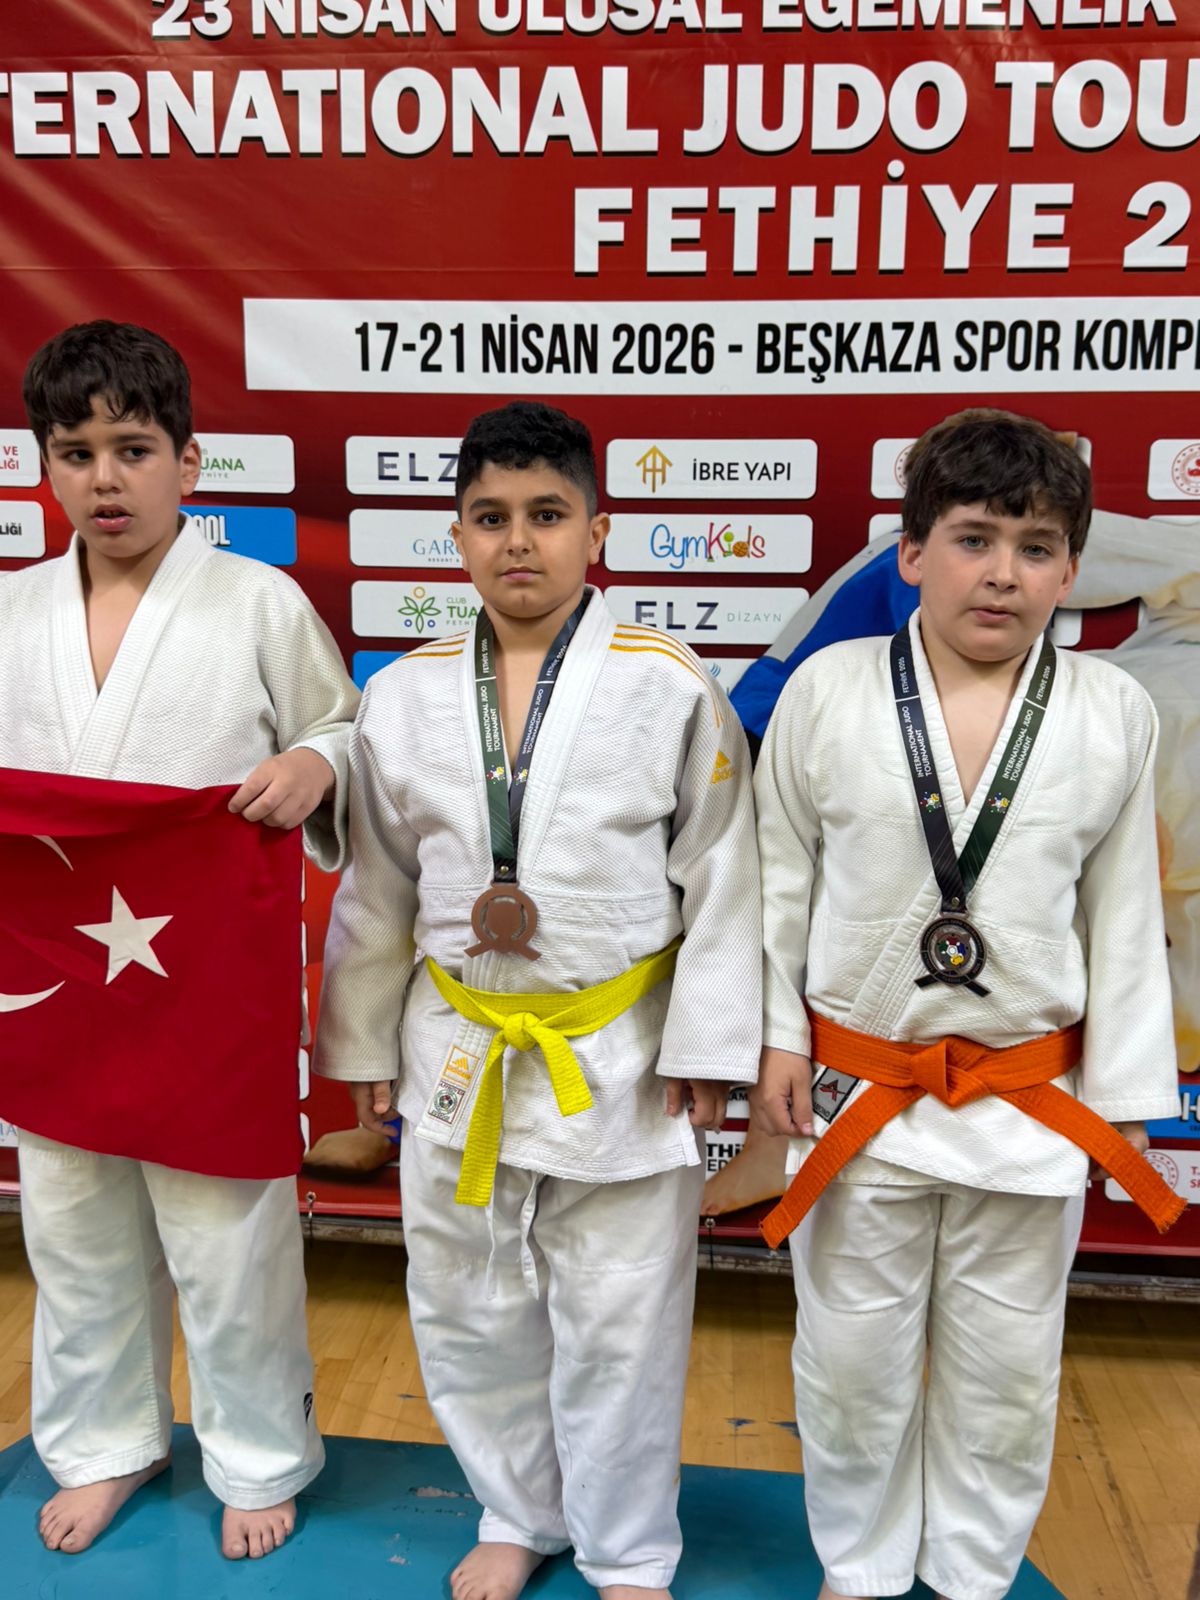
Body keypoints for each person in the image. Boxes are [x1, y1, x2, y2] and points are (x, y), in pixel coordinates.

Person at [316, 400, 761, 1600]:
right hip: (458, 1043)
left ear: (597, 531)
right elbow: (378, 885)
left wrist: (711, 1042)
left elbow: (726, 874)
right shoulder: (404, 693)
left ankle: (627, 1546)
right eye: (490, 516)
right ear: (457, 535)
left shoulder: (669, 684)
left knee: (623, 1316)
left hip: (621, 1051)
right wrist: (360, 1039)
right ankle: (518, 1510)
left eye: (548, 514)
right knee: (468, 1302)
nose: (519, 540)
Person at [751, 408, 1181, 1600]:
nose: (1003, 573)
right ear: (910, 552)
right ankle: (862, 1567)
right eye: (974, 539)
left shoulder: (1111, 708)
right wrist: (776, 1036)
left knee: (1006, 1373)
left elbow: (1125, 915)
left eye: (1037, 548)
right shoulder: (829, 690)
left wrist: (1126, 1095)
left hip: (1030, 1100)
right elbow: (778, 880)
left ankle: (974, 1575)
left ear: (1073, 572)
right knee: (851, 1363)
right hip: (860, 1090)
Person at [2, 320, 359, 1559]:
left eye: (134, 448)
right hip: (56, 978)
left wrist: (316, 762)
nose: (105, 478)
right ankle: (105, 1442)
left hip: (205, 975)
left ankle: (256, 1451)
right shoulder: (10, 610)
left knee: (227, 1233)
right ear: (43, 465)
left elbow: (341, 723)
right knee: (74, 1225)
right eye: (76, 452)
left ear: (190, 462)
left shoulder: (257, 601)